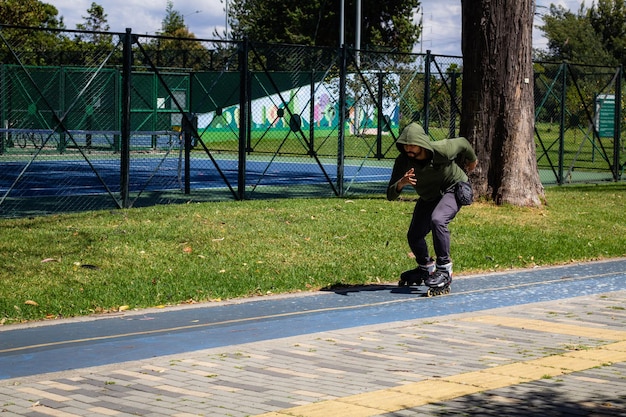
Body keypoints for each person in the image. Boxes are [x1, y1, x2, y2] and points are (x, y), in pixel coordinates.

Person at [387, 122, 477, 289]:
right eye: (405, 145)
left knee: (438, 219)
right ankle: (426, 268)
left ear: (421, 143)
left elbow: (463, 142)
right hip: (430, 196)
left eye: (413, 145)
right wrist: (401, 183)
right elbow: (390, 194)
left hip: (454, 188)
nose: (409, 149)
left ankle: (444, 270)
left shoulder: (441, 149)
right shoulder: (403, 161)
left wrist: (472, 160)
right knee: (414, 235)